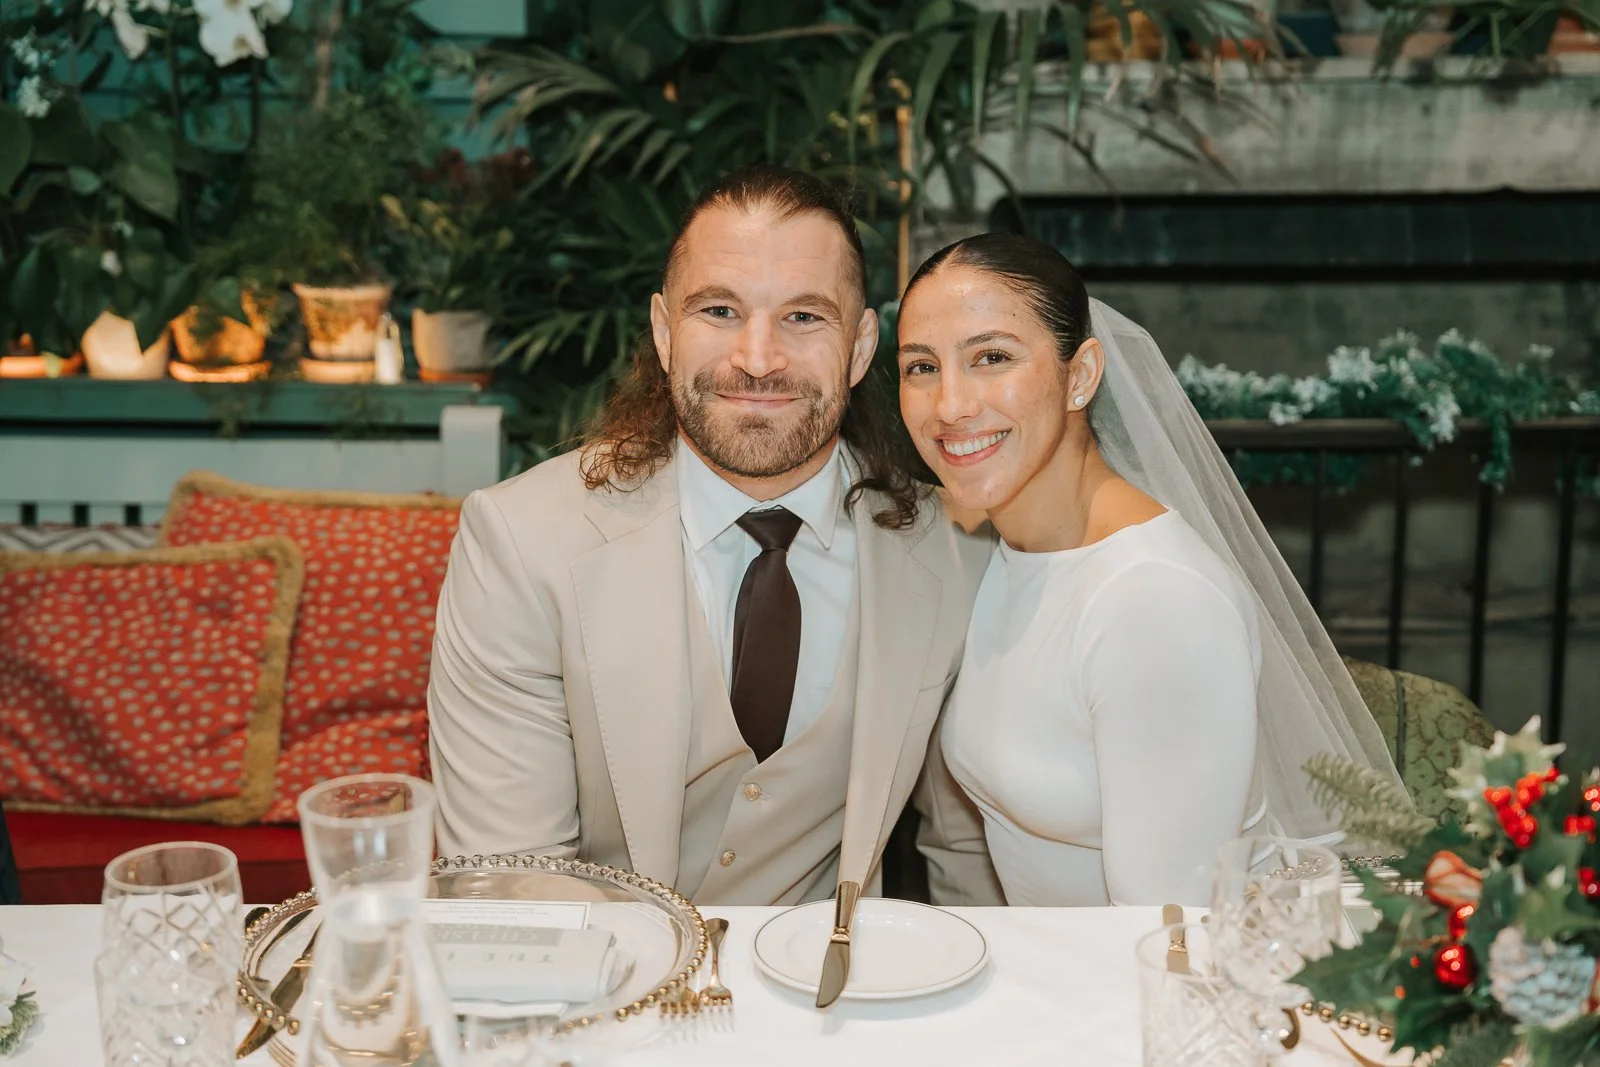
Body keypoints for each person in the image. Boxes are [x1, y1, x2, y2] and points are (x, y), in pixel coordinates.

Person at [428, 165, 1003, 907]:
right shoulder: (520, 542)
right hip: (598, 994)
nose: (757, 359)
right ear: (665, 333)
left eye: (803, 317)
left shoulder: (955, 555)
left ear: (861, 347)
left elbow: (965, 849)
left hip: (830, 1003)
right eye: (721, 310)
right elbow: (508, 880)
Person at [895, 232, 1404, 907]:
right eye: (921, 367)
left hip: (1142, 993)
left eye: (992, 357)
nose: (950, 405)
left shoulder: (1155, 602)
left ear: (1079, 376)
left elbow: (1166, 933)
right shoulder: (997, 548)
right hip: (1047, 976)